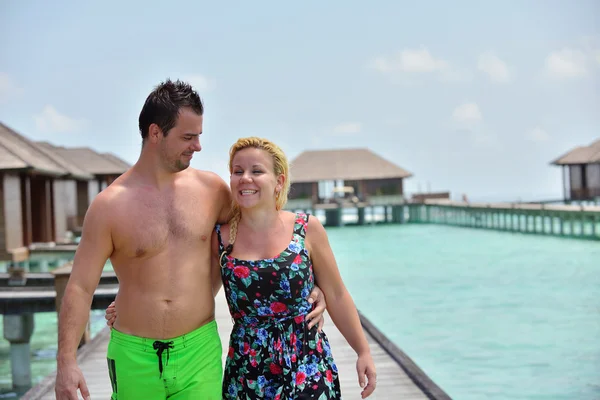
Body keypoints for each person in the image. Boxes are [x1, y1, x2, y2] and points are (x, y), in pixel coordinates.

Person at [54, 79, 326, 400]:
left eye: (199, 136)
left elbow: (265, 230)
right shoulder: (109, 206)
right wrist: (67, 362)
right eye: (187, 137)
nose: (197, 146)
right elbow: (80, 286)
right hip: (132, 353)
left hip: (199, 348)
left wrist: (312, 283)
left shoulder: (212, 191)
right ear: (155, 133)